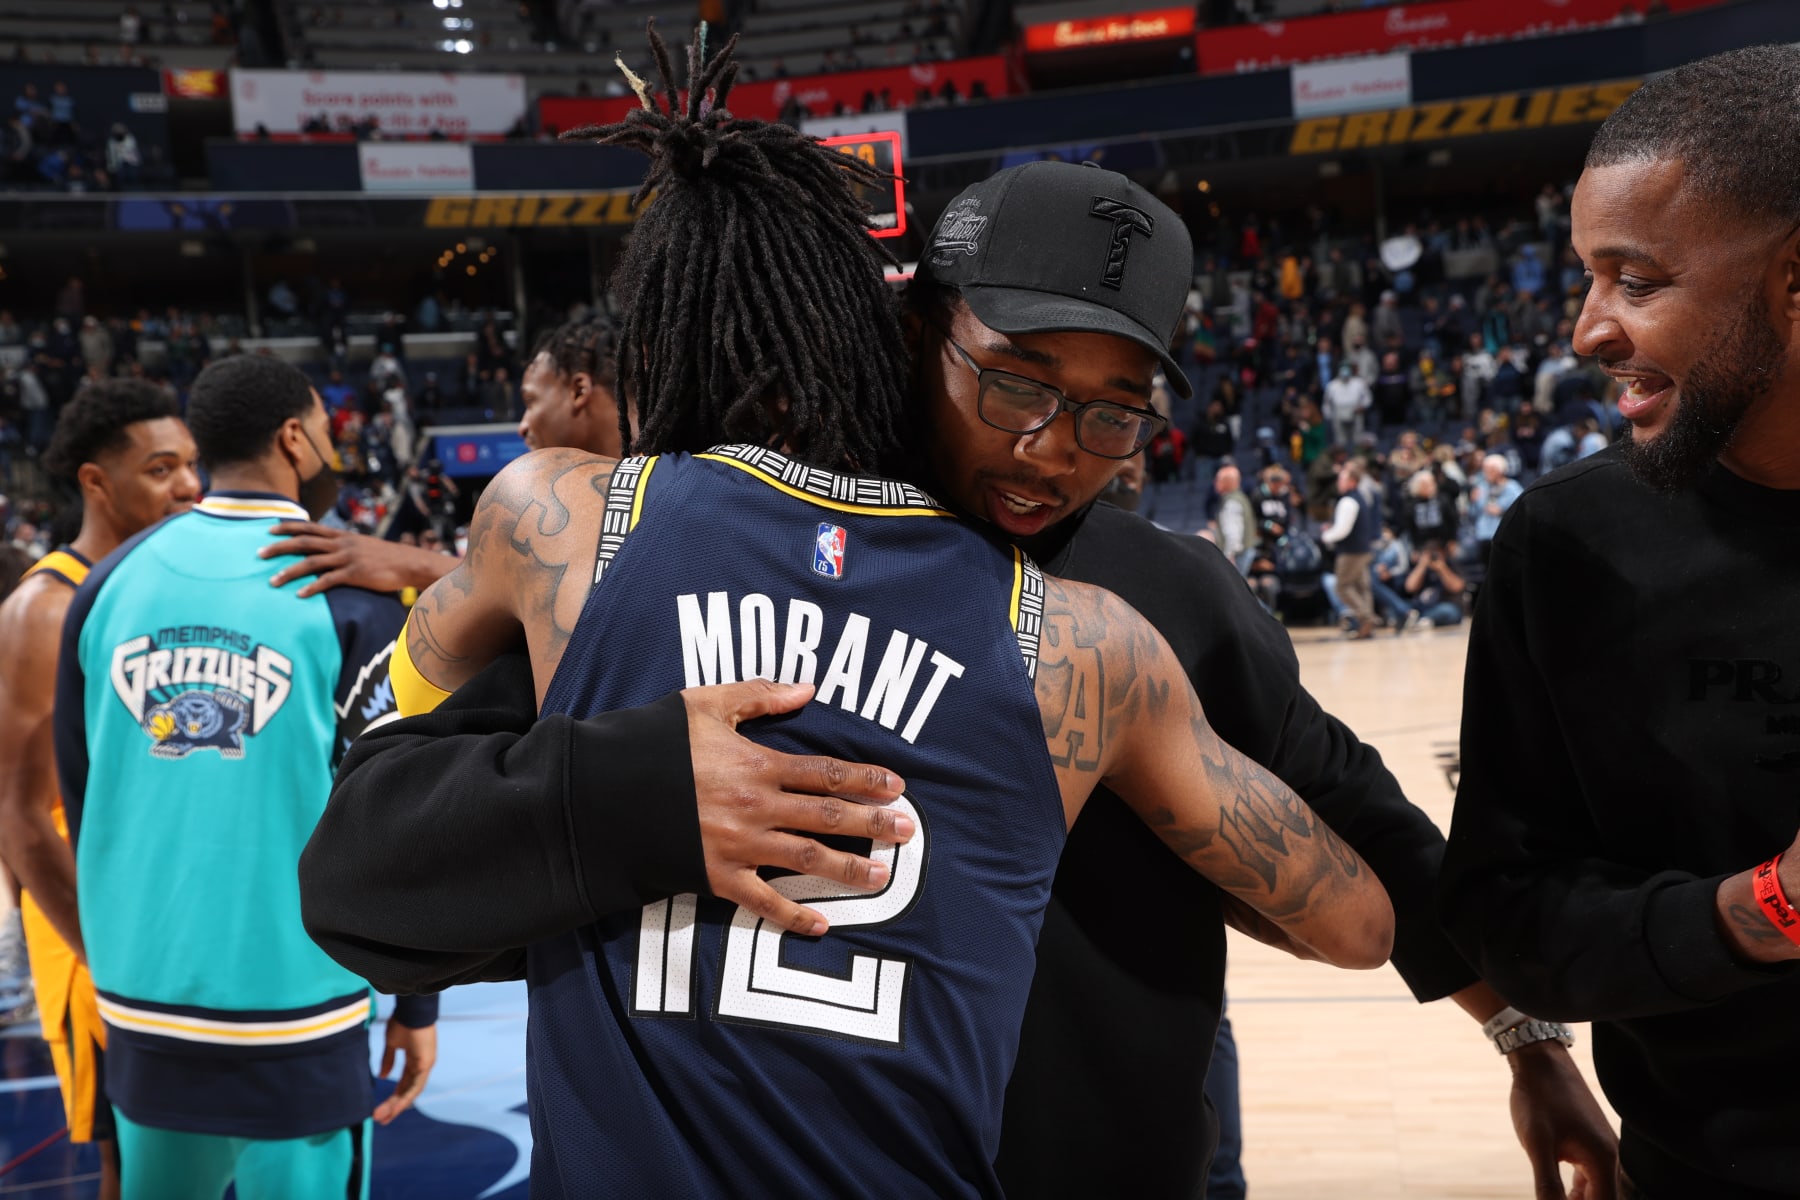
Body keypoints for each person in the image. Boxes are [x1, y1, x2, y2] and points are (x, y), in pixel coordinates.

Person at [300, 166, 1617, 1200]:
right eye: (1013, 382)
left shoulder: (1161, 598)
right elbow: (374, 872)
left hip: (1127, 1164)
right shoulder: (691, 547)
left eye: (1115, 413)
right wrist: (640, 790)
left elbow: (1366, 835)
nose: (1054, 449)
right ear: (917, 328)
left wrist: (1530, 1048)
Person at [1439, 45, 1800, 1200]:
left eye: (1635, 281)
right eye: (1589, 277)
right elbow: (1507, 914)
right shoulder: (1568, 546)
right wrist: (1753, 912)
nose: (1588, 332)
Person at [52, 357, 439, 1198]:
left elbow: (83, 803)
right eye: (328, 432)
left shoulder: (104, 585)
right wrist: (417, 1004)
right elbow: (398, 827)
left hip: (142, 1002)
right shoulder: (349, 594)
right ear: (294, 439)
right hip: (298, 1013)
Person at [0, 381, 200, 1200]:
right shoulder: (46, 606)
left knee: (196, 1143)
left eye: (192, 465)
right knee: (133, 1155)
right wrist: (107, 952)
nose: (189, 486)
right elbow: (18, 816)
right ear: (95, 482)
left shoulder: (161, 579)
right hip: (98, 928)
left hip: (169, 904)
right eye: (161, 469)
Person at [1319, 459, 1380, 639]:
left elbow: (1342, 530)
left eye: (1342, 479)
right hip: (1363, 549)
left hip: (1350, 552)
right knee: (1362, 587)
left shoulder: (1347, 501)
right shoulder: (1360, 497)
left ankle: (1367, 618)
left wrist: (1326, 536)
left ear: (1352, 481)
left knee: (1342, 586)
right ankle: (1367, 627)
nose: (1339, 482)